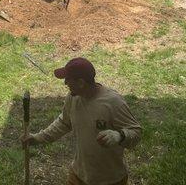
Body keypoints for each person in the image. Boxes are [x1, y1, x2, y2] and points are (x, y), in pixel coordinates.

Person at [22, 57, 141, 185]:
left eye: (68, 79)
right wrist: (38, 138)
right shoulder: (73, 97)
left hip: (109, 180)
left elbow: (136, 132)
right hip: (79, 175)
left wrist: (119, 135)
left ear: (81, 83)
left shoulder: (113, 103)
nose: (65, 83)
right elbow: (64, 122)